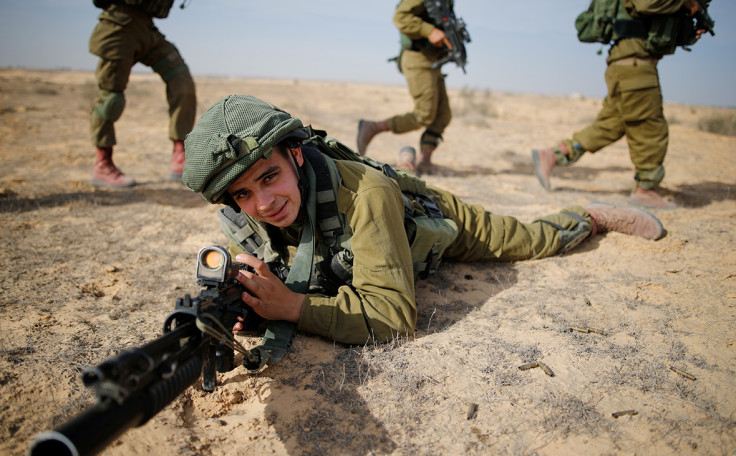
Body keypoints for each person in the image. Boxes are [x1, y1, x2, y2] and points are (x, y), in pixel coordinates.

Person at [183, 95, 665, 346]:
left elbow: (393, 317)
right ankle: (407, 157)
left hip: (423, 212)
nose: (263, 203)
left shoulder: (365, 196)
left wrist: (291, 308)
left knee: (521, 240)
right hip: (383, 196)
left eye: (270, 178)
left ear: (296, 156)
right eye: (243, 193)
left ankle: (590, 217)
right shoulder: (246, 215)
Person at [531, 0, 706, 209]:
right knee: (650, 127)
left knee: (612, 125)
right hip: (635, 64)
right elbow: (646, 4)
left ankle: (555, 154)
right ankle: (646, 189)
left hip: (626, 63)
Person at [88, 0, 197, 187]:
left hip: (148, 28)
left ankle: (180, 156)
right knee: (111, 98)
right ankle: (103, 163)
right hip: (119, 25)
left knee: (183, 84)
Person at [356, 0, 458, 176]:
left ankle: (425, 162)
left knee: (442, 115)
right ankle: (372, 127)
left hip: (434, 60)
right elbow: (401, 17)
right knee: (424, 114)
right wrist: (430, 31)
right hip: (418, 59)